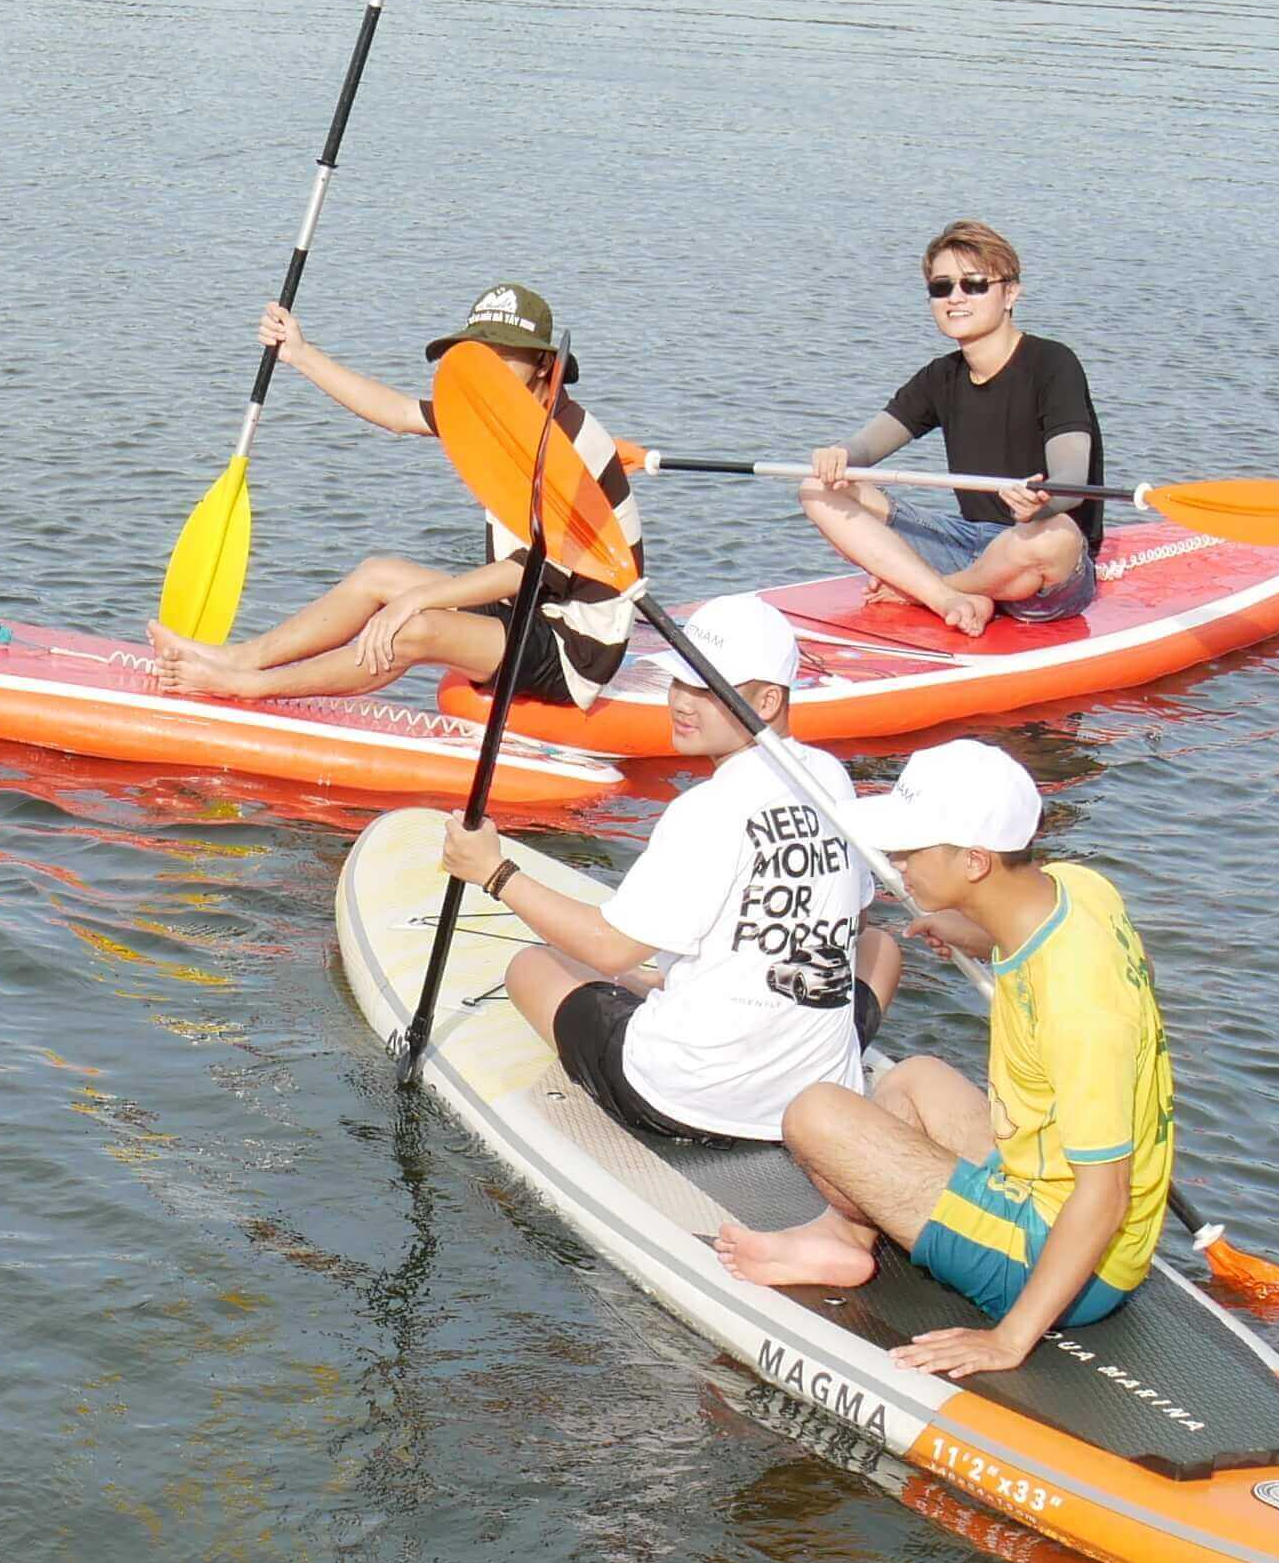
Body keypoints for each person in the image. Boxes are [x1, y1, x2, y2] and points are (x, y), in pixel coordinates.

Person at [713, 738, 1179, 1375]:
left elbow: (1104, 1193)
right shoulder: (1081, 889)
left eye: (912, 850)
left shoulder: (1079, 1008)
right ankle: (843, 1239)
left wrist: (1009, 1340)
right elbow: (1137, 968)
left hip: (1056, 1256)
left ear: (976, 861)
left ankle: (985, 1293)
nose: (899, 863)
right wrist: (981, 935)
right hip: (1042, 1182)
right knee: (914, 1079)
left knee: (815, 1112)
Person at [438, 591, 899, 1147]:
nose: (682, 701)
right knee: (883, 951)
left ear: (771, 700)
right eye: (680, 681)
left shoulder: (706, 808)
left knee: (532, 966)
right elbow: (859, 916)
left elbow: (608, 949)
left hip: (686, 1100)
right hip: (815, 1091)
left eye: (707, 689)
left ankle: (673, 1053)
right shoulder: (830, 776)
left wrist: (494, 871)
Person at [152, 281, 657, 709]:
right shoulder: (497, 413)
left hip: (575, 647)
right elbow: (396, 412)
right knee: (377, 575)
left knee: (414, 627)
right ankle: (237, 657)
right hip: (523, 609)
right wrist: (300, 356)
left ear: (544, 366)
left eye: (502, 357)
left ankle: (247, 686)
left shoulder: (572, 443)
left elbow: (532, 569)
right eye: (477, 358)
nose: (486, 373)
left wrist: (417, 600)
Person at [796, 219, 1104, 636]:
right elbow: (865, 448)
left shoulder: (1053, 364)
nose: (955, 298)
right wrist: (838, 456)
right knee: (818, 488)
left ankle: (927, 589)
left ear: (1010, 293)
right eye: (942, 287)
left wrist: (1043, 503)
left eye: (974, 284)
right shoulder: (939, 377)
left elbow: (1071, 481)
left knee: (1054, 537)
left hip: (1041, 557)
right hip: (969, 543)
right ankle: (950, 599)